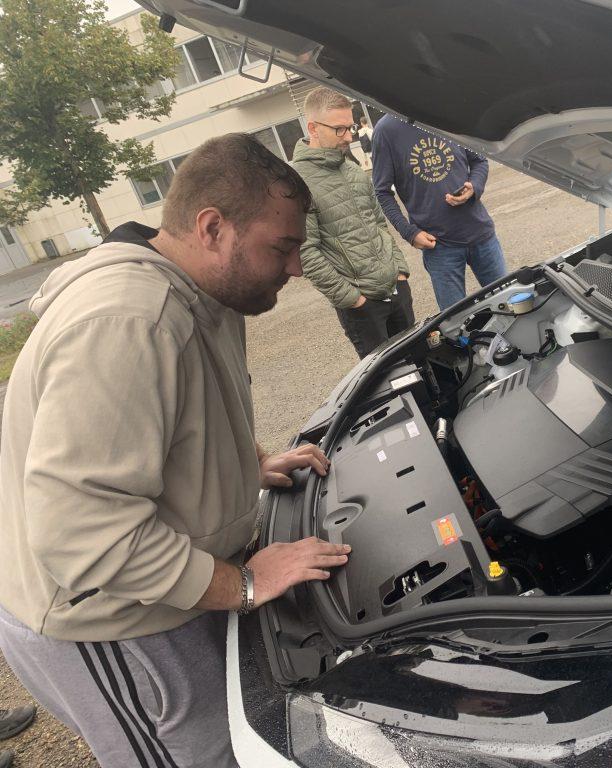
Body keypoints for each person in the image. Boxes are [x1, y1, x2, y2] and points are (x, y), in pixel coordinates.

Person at [0, 133, 351, 768]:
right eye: (283, 247)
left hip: (160, 591)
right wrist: (246, 584)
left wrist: (247, 465)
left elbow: (178, 413)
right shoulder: (131, 321)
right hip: (111, 624)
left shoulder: (209, 290)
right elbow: (83, 533)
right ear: (213, 228)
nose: (297, 267)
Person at [293, 88, 414, 358]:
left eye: (350, 128)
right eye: (339, 129)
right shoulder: (297, 183)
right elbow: (306, 252)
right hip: (362, 308)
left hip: (396, 289)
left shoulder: (353, 169)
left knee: (419, 364)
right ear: (313, 128)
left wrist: (400, 272)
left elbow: (378, 223)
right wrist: (352, 299)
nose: (349, 137)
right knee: (387, 379)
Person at [372, 114, 507, 310]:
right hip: (439, 246)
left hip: (481, 234)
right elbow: (382, 191)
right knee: (456, 320)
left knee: (508, 304)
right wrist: (409, 232)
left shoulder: (446, 113)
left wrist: (474, 186)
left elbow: (479, 161)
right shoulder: (386, 131)